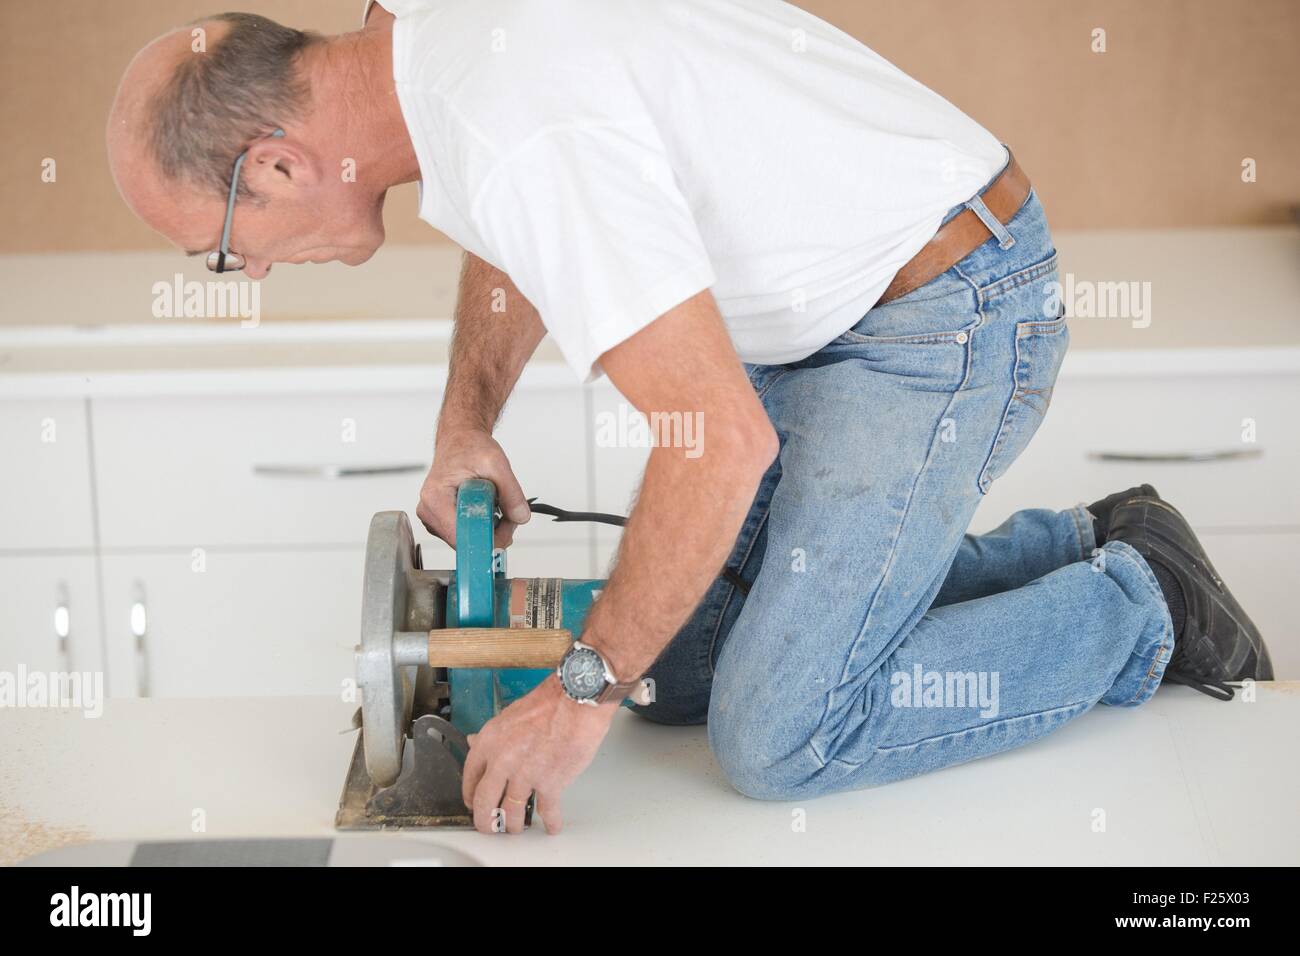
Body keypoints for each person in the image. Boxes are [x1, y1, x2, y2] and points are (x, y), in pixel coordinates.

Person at [107, 0, 1272, 835]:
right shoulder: (414, 35)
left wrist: (576, 697)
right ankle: (1080, 539)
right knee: (686, 654)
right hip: (822, 308)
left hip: (943, 309)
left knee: (780, 732)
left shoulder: (516, 129)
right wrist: (467, 420)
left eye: (219, 252)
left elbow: (717, 437)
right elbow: (508, 228)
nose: (244, 275)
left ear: (269, 167)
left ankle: (1140, 605)